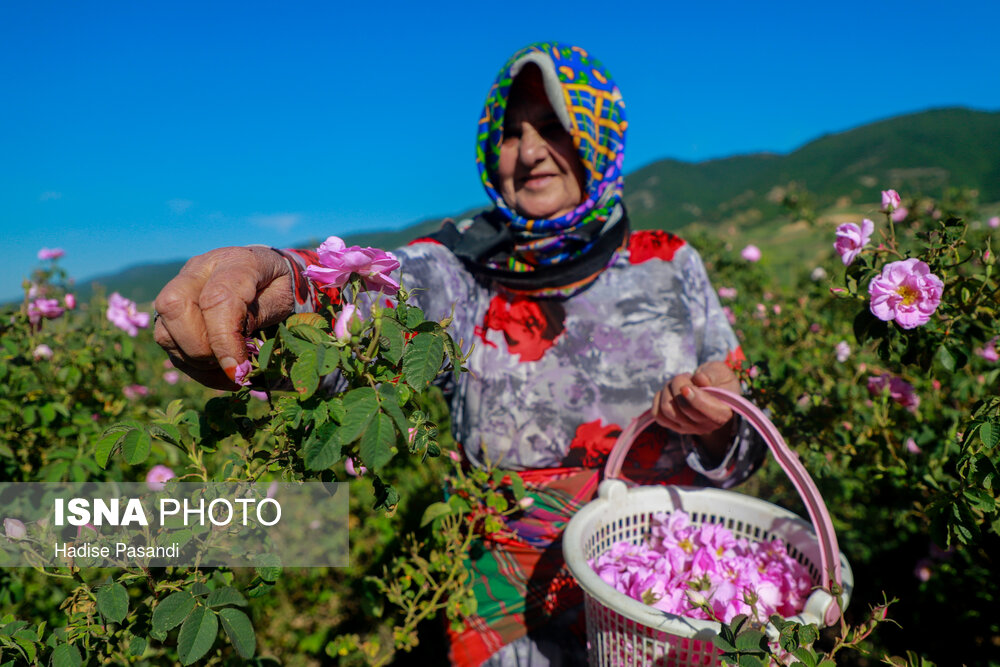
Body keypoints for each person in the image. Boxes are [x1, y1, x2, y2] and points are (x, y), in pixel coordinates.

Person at [154, 42, 765, 666]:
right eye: (510, 133)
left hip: (665, 591)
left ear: (599, 133)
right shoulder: (467, 272)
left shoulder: (670, 265)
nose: (528, 153)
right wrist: (286, 285)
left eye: (554, 126)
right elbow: (387, 290)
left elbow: (741, 452)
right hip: (510, 606)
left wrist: (718, 426)